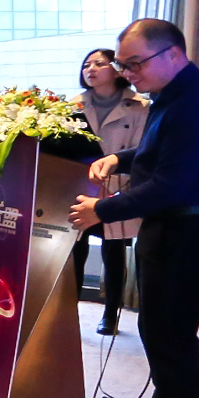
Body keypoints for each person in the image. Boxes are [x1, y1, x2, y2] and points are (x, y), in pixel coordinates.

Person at [67, 18, 199, 398]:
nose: (127, 73)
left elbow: (170, 185)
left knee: (171, 339)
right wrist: (118, 158)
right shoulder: (175, 93)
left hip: (189, 231)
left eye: (135, 63)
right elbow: (160, 154)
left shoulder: (196, 104)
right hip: (175, 228)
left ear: (173, 54)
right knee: (159, 331)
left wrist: (101, 211)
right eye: (123, 65)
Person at [70, 48, 150, 336]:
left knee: (114, 251)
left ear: (117, 70)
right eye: (86, 65)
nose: (90, 69)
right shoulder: (72, 105)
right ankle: (68, 312)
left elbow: (142, 152)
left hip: (119, 186)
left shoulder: (140, 105)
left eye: (99, 64)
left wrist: (119, 184)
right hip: (80, 185)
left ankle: (110, 314)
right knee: (73, 251)